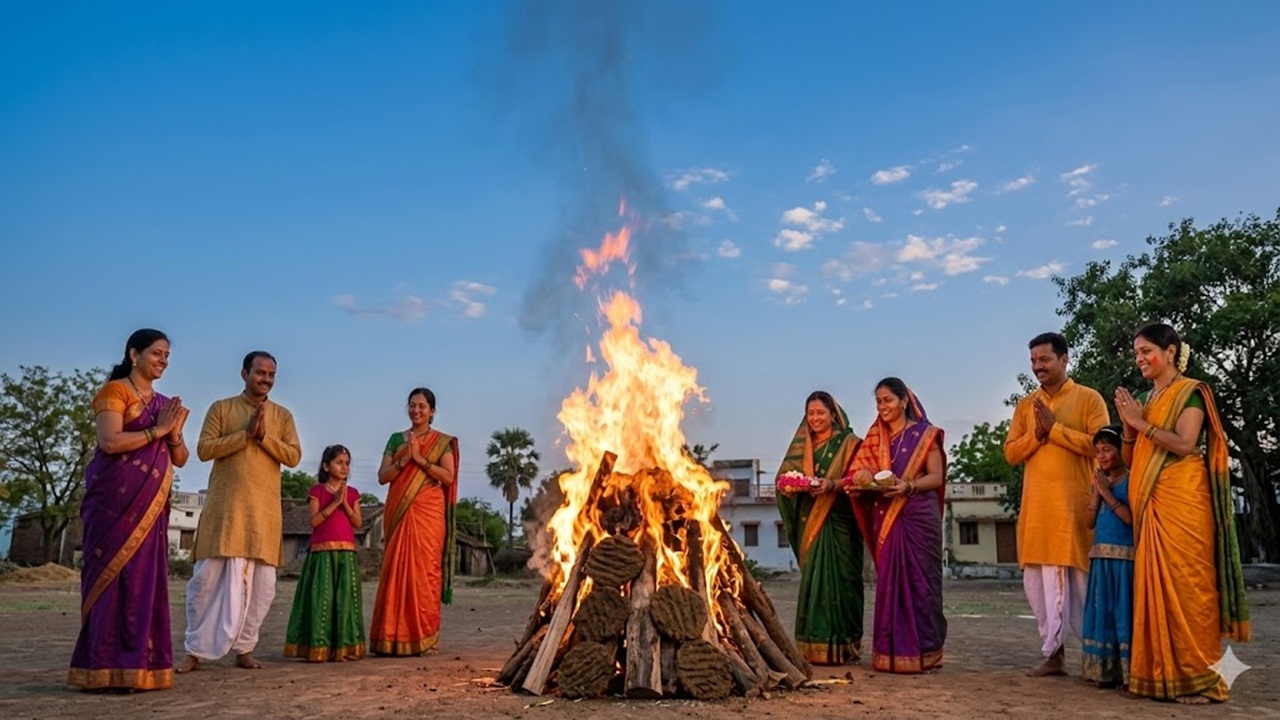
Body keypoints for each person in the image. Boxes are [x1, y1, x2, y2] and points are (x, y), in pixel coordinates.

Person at [1115, 323, 1249, 703]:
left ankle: (1204, 681)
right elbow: (1131, 460)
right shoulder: (1146, 398)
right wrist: (1128, 427)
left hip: (1184, 502)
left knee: (1190, 590)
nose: (1139, 358)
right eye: (1136, 353)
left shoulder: (1190, 393)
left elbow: (1186, 444)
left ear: (1170, 351)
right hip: (1151, 504)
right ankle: (1160, 676)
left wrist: (1141, 422)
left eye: (1146, 351)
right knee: (1155, 589)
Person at [68, 329, 190, 691]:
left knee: (143, 584)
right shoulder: (115, 391)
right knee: (111, 581)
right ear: (133, 354)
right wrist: (158, 429)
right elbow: (109, 441)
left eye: (167, 355)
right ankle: (102, 669)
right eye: (156, 353)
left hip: (150, 510)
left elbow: (180, 458)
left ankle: (139, 669)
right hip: (113, 505)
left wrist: (173, 433)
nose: (163, 361)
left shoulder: (165, 403)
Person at [178, 351, 302, 673]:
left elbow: (293, 456)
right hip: (226, 510)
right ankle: (194, 651)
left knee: (262, 587)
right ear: (244, 373)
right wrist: (244, 435)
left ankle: (245, 648)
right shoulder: (221, 408)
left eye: (271, 374)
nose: (266, 379)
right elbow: (205, 449)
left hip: (263, 513)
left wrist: (263, 437)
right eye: (260, 373)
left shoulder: (283, 416)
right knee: (205, 582)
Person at [1004, 332, 1110, 676]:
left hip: (1075, 509)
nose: (1038, 367)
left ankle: (1097, 658)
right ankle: (1054, 655)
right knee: (1040, 584)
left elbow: (1103, 448)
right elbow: (1010, 453)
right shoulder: (1025, 407)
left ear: (1064, 360)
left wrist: (1056, 430)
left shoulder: (1089, 399)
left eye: (1044, 359)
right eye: (1034, 361)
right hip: (1037, 511)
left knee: (1081, 585)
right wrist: (1037, 434)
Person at [844, 378, 947, 673]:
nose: (882, 406)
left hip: (917, 514)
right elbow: (857, 475)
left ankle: (926, 652)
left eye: (888, 400)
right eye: (878, 401)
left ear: (904, 401)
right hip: (886, 516)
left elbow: (936, 477)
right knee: (891, 583)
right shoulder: (876, 439)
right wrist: (860, 484)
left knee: (922, 583)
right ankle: (890, 653)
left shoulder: (925, 434)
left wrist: (908, 486)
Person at [774, 390, 865, 665]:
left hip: (841, 521)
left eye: (820, 413)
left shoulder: (850, 444)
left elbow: (859, 479)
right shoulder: (802, 447)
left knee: (845, 581)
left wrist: (832, 485)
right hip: (810, 520)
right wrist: (789, 488)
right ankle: (813, 646)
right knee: (815, 582)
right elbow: (784, 477)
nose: (815, 418)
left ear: (833, 415)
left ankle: (846, 644)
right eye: (811, 413)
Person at [369, 387, 459, 656]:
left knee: (425, 573)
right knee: (395, 570)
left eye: (422, 406)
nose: (416, 410)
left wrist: (420, 460)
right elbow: (382, 476)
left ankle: (425, 638)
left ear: (432, 411)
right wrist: (403, 460)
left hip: (429, 513)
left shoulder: (443, 442)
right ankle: (390, 639)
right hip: (400, 510)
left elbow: (448, 477)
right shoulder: (396, 439)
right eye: (412, 405)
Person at [284, 444, 366, 662]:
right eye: (339, 462)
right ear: (326, 465)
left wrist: (345, 504)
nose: (344, 467)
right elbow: (314, 521)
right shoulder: (317, 491)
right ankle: (318, 647)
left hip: (346, 552)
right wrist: (334, 503)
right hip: (322, 552)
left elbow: (358, 522)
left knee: (345, 600)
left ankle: (343, 648)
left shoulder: (353, 493)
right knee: (322, 599)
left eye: (347, 463)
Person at [1080, 426, 1133, 689]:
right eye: (1097, 451)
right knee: (1102, 613)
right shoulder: (1101, 483)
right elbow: (1088, 522)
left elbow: (1131, 519)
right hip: (1100, 558)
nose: (1101, 456)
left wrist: (1107, 494)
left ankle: (1128, 673)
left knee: (1123, 614)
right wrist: (1096, 492)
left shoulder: (1132, 480)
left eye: (1107, 449)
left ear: (1122, 451)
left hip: (1125, 560)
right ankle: (1103, 671)